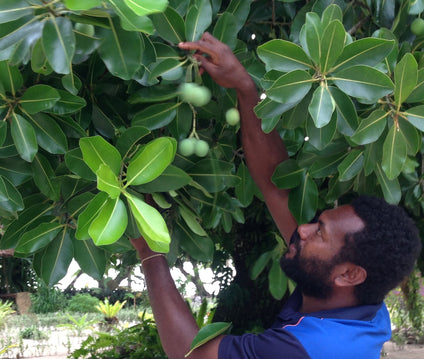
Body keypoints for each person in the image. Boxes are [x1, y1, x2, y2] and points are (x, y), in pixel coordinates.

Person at [130, 33, 422, 359]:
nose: (304, 229)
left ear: (349, 274)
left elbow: (190, 355)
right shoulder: (361, 304)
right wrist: (245, 87)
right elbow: (277, 189)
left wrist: (150, 253)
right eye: (317, 223)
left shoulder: (313, 349)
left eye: (320, 234)